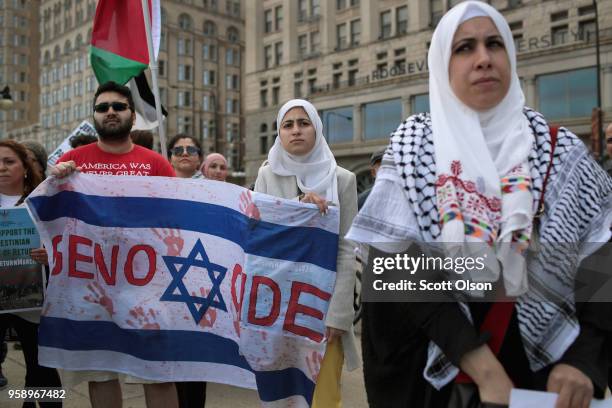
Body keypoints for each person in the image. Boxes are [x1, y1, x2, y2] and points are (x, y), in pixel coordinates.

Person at [346, 2, 612, 407]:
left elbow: (603, 262)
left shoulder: (563, 154)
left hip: (545, 383)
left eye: (494, 44)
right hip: (438, 382)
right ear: (443, 66)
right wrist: (483, 368)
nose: (484, 59)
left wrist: (585, 360)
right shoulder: (413, 150)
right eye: (465, 48)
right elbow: (395, 269)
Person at [51, 81, 177, 408]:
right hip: (93, 283)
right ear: (93, 116)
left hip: (147, 282)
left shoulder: (157, 164)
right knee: (101, 372)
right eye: (103, 107)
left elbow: (177, 221)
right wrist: (55, 183)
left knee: (158, 371)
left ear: (132, 117)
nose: (110, 112)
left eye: (118, 107)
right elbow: (52, 217)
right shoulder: (71, 162)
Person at [254, 99, 360, 407]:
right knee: (281, 395)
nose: (296, 130)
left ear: (317, 127)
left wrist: (339, 314)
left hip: (323, 309)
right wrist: (296, 210)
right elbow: (261, 239)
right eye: (288, 125)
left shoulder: (342, 179)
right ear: (279, 133)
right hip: (278, 306)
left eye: (304, 123)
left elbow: (345, 248)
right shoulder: (266, 176)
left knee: (323, 396)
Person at [0, 139, 63, 406]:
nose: (1, 168)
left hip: (34, 300)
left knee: (40, 369)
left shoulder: (44, 201)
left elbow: (68, 244)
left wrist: (52, 255)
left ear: (25, 167)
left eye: (9, 161)